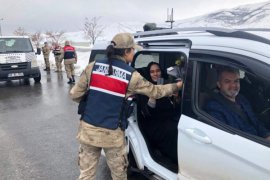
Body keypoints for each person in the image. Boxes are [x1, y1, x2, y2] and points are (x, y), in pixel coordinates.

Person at [70, 32, 183, 180]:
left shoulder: (92, 67)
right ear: (126, 52)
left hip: (88, 130)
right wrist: (177, 86)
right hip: (112, 134)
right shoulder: (131, 75)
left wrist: (95, 102)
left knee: (86, 175)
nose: (134, 53)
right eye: (133, 50)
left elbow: (75, 94)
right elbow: (155, 91)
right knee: (119, 176)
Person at [205, 66, 270, 140]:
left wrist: (267, 135)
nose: (233, 85)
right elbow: (229, 138)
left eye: (236, 81)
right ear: (219, 84)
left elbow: (256, 122)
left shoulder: (242, 99)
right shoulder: (213, 107)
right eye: (227, 81)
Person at [138, 62, 180, 164]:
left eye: (158, 71)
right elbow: (148, 111)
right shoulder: (145, 88)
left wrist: (175, 97)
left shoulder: (166, 84)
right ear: (149, 74)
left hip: (168, 117)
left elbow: (174, 106)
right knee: (172, 131)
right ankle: (173, 158)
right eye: (152, 72)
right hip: (154, 122)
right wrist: (154, 93)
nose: (155, 74)